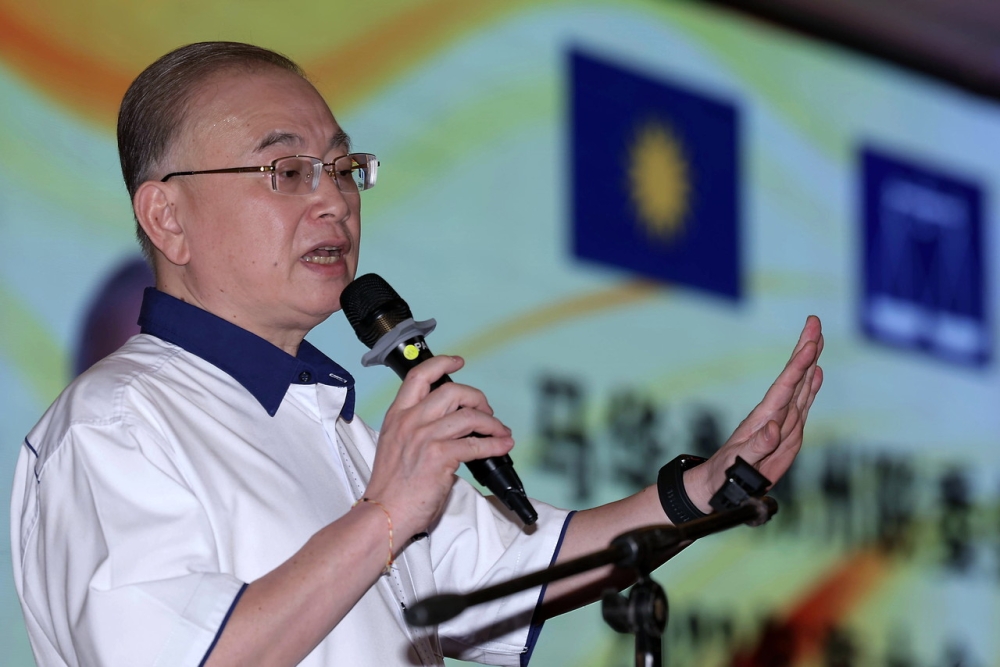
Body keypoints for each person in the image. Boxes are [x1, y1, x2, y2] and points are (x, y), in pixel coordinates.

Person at [10, 41, 824, 667]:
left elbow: (521, 572)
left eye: (344, 166)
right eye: (287, 169)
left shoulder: (329, 426)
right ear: (167, 217)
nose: (333, 198)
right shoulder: (116, 424)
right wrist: (386, 515)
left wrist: (699, 492)